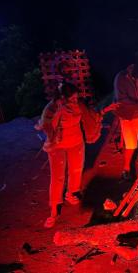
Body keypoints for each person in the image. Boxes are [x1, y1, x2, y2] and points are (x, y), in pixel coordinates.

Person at [36, 82, 116, 228]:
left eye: (76, 97)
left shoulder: (78, 104)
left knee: (76, 170)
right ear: (63, 97)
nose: (75, 100)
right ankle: (54, 210)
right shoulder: (53, 107)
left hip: (76, 142)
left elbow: (91, 115)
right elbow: (46, 125)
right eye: (72, 98)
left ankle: (71, 193)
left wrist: (107, 109)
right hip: (58, 146)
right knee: (58, 177)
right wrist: (53, 135)